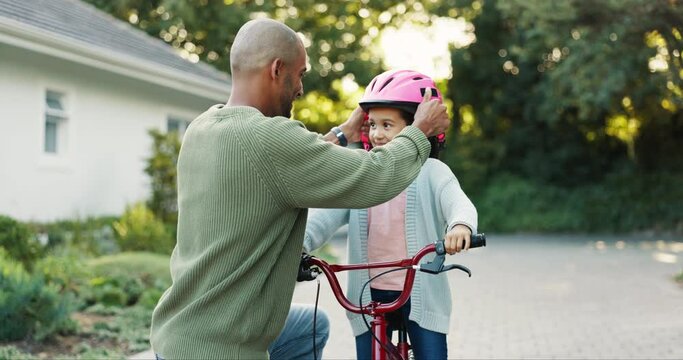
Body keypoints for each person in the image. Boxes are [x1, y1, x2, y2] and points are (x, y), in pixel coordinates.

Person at [149, 19, 451, 359]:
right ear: (277, 69)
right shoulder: (270, 138)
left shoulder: (203, 128)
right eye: (301, 74)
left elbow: (274, 168)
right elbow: (374, 175)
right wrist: (419, 130)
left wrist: (341, 135)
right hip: (222, 349)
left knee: (311, 325)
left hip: (178, 334)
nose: (301, 88)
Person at [303, 69, 478, 360]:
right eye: (372, 125)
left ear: (416, 129)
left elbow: (458, 203)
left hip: (419, 291)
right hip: (368, 293)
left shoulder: (431, 172)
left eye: (387, 124)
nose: (377, 133)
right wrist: (301, 243)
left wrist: (460, 227)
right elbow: (325, 215)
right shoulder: (363, 172)